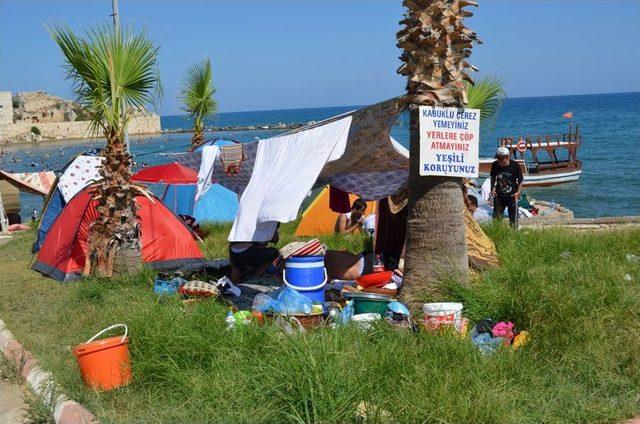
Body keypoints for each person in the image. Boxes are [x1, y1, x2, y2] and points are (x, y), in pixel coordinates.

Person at [490, 146, 523, 226]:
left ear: (508, 157)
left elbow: (520, 179)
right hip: (499, 196)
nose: (499, 161)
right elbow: (493, 178)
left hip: (512, 196)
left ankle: (513, 234)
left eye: (501, 159)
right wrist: (492, 189)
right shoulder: (495, 165)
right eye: (498, 158)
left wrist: (518, 192)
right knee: (496, 219)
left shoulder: (515, 165)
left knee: (513, 220)